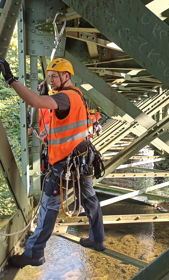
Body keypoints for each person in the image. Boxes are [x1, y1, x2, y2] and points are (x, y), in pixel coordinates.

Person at [0, 57, 105, 268]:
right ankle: (97, 239)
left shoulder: (65, 97)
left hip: (65, 165)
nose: (52, 80)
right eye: (49, 77)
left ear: (67, 76)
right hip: (82, 160)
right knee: (90, 199)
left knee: (49, 207)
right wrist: (45, 95)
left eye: (55, 76)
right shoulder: (77, 97)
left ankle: (35, 253)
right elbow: (55, 115)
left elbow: (36, 103)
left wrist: (11, 79)